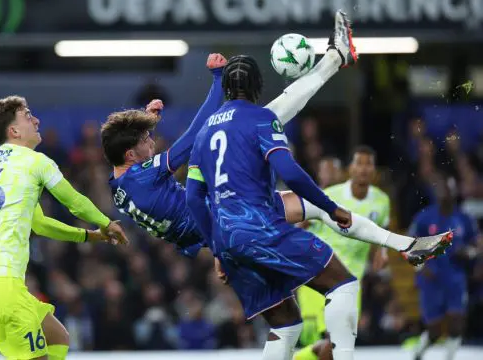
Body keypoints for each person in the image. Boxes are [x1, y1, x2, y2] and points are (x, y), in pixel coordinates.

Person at [102, 11, 449, 266]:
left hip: (215, 227)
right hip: (227, 213)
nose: (153, 142)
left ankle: (405, 245)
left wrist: (149, 119)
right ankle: (336, 58)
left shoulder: (118, 183)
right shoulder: (144, 173)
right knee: (263, 122)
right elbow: (193, 138)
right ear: (131, 154)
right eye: (147, 140)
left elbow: (139, 163)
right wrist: (216, 80)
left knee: (285, 323)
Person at [185, 53, 452, 360]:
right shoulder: (261, 118)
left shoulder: (204, 133)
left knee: (285, 325)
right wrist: (330, 205)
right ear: (257, 86)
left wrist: (218, 250)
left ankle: (406, 245)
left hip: (229, 239)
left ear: (227, 89)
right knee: (343, 284)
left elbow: (194, 198)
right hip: (259, 228)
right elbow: (289, 171)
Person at [0, 96, 128, 360]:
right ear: (14, 131)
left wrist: (88, 236)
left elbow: (39, 224)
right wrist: (106, 223)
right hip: (1, 283)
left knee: (57, 336)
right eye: (28, 116)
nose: (36, 120)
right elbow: (74, 201)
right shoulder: (35, 161)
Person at [294, 146, 391, 360]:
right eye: (360, 164)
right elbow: (299, 226)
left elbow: (378, 232)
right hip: (318, 279)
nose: (364, 169)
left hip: (350, 283)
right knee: (329, 343)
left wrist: (380, 254)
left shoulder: (382, 201)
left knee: (333, 345)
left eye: (369, 164)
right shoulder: (327, 197)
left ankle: (299, 357)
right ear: (351, 169)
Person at [410, 172, 479, 360]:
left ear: (455, 192)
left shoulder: (464, 218)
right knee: (434, 329)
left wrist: (469, 253)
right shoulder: (424, 217)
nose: (445, 194)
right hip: (431, 278)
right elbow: (409, 244)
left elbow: (476, 244)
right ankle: (418, 353)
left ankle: (449, 357)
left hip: (456, 277)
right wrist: (420, 266)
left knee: (457, 322)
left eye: (449, 189)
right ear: (436, 192)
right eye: (442, 189)